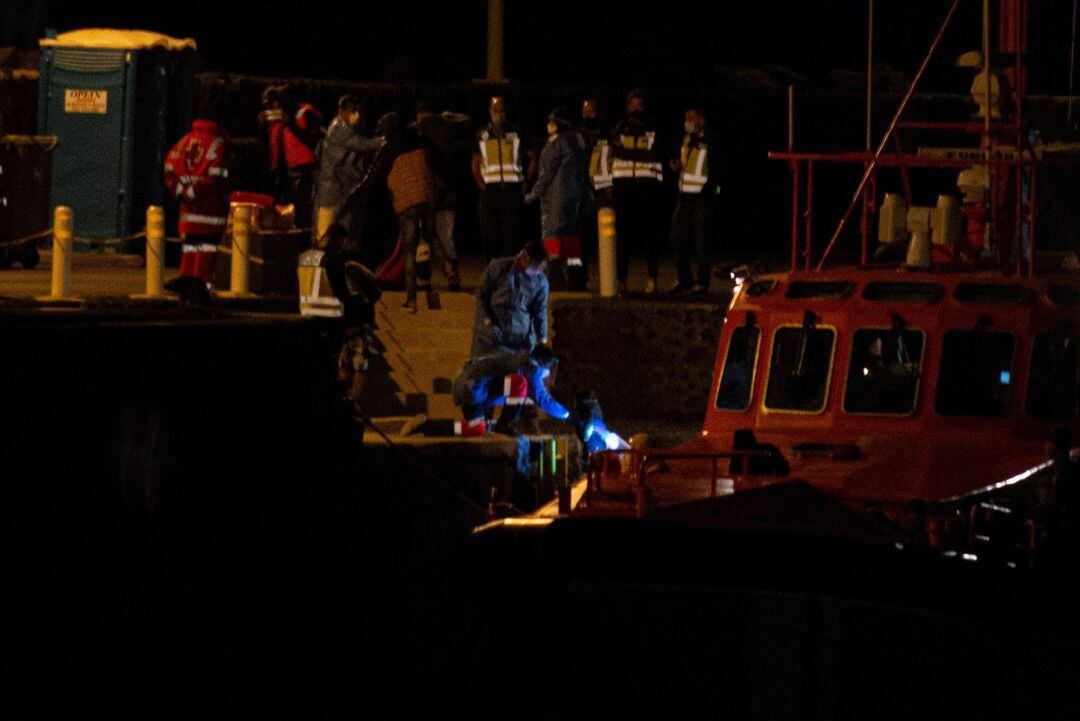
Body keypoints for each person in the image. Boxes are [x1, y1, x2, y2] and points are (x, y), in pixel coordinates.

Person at [344, 111, 439, 314]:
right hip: (427, 197)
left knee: (409, 249)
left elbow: (371, 177)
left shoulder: (389, 148)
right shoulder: (419, 139)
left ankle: (413, 297)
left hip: (408, 202)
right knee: (428, 242)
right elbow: (435, 161)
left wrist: (352, 196)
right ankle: (435, 280)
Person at [163, 107, 229, 291]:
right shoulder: (217, 144)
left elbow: (169, 170)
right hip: (210, 211)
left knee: (190, 248)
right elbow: (216, 178)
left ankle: (186, 286)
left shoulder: (182, 142)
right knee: (207, 249)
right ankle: (202, 290)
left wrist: (182, 192)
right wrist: (194, 192)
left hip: (188, 212)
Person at [525, 107, 589, 290]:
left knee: (552, 236)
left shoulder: (556, 144)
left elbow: (547, 174)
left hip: (556, 198)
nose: (549, 125)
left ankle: (556, 280)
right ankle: (577, 280)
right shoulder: (577, 140)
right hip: (576, 198)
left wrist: (532, 195)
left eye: (552, 121)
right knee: (572, 239)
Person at [610, 88, 665, 293]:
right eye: (632, 106)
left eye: (639, 106)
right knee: (623, 237)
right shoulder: (619, 127)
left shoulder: (653, 127)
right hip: (624, 188)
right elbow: (614, 153)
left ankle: (653, 279)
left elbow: (656, 152)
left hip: (647, 188)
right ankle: (621, 280)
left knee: (650, 236)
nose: (635, 109)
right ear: (627, 107)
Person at [313, 95, 383, 252]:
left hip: (343, 186)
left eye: (357, 110)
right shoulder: (339, 128)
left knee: (346, 224)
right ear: (342, 111)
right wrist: (382, 141)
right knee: (331, 226)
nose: (356, 114)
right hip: (334, 187)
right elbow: (361, 144)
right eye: (352, 111)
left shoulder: (347, 127)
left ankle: (343, 254)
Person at [669, 105, 721, 294]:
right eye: (686, 118)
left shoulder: (711, 139)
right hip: (683, 197)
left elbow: (717, 167)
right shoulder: (686, 139)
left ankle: (702, 283)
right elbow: (686, 166)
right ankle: (684, 279)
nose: (687, 122)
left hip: (701, 199)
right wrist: (676, 167)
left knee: (702, 243)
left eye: (691, 118)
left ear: (702, 119)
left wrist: (711, 190)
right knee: (677, 239)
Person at [413, 100, 461, 290]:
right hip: (445, 193)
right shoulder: (446, 127)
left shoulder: (416, 131)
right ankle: (451, 273)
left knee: (423, 236)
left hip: (425, 193)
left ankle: (424, 278)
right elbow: (466, 121)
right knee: (445, 236)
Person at [471, 240, 549, 357]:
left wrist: (542, 339)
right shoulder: (499, 267)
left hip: (519, 337)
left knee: (516, 372)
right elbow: (482, 294)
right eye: (536, 267)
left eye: (541, 268)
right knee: (484, 368)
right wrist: (487, 318)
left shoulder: (540, 281)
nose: (538, 271)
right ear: (524, 258)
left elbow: (540, 311)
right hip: (492, 334)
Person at [473, 96, 526, 259]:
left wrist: (526, 181)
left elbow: (531, 156)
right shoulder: (482, 134)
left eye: (501, 110)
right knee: (490, 233)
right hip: (489, 190)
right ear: (490, 111)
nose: (498, 113)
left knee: (512, 234)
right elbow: (475, 161)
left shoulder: (516, 132)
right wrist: (480, 183)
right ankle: (492, 269)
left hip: (511, 189)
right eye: (495, 109)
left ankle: (511, 269)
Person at [579, 98, 613, 286]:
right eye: (585, 111)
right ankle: (581, 278)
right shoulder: (577, 136)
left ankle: (607, 278)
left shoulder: (608, 135)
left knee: (605, 238)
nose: (587, 115)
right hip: (583, 193)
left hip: (603, 192)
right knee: (581, 239)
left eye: (591, 111)